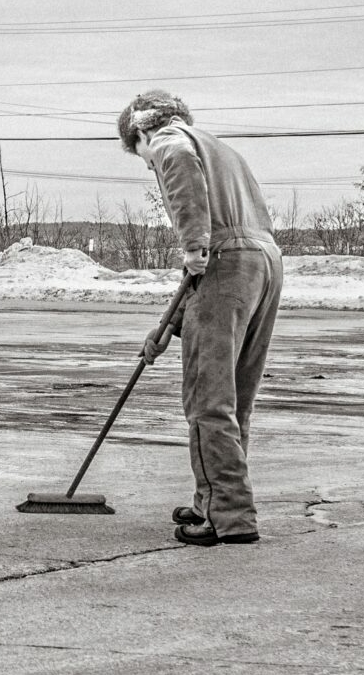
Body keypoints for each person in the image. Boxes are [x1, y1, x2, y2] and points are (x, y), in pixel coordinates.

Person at [117, 90, 282, 545]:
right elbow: (214, 261)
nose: (151, 165)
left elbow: (205, 246)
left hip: (229, 263)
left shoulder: (169, 140)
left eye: (143, 158)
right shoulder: (220, 148)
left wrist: (193, 244)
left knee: (208, 398)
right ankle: (213, 498)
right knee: (233, 396)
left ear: (142, 131)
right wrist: (168, 327)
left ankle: (227, 517)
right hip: (263, 262)